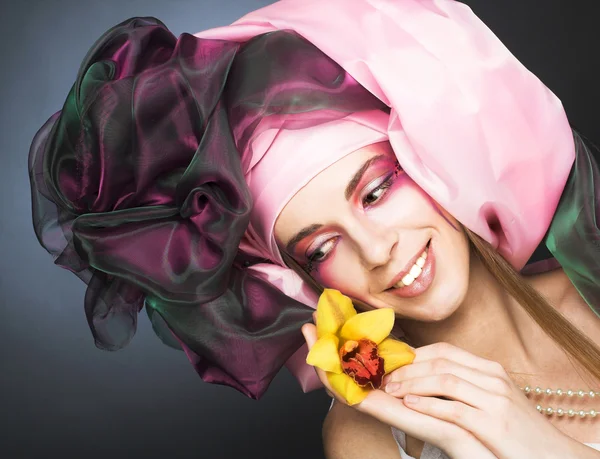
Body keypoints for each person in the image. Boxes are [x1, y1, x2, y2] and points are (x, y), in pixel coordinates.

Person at [28, 0, 600, 457]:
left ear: (433, 159)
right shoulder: (371, 439)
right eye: (322, 246)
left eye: (376, 191)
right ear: (299, 280)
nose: (377, 251)